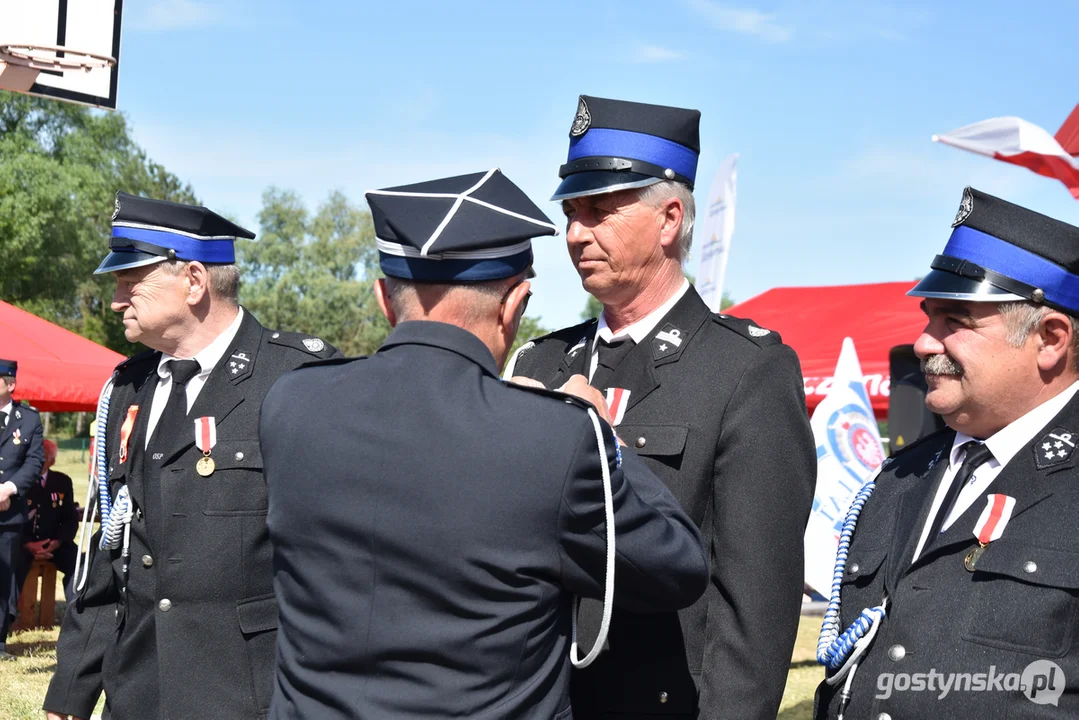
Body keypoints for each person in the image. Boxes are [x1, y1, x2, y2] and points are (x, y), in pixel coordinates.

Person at [260, 168, 709, 720]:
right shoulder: (556, 437)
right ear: (514, 304)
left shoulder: (290, 405)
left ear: (384, 297)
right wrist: (601, 434)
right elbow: (678, 566)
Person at [507, 95, 817, 720]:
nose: (575, 233)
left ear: (670, 217)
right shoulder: (541, 364)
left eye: (598, 211)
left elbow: (754, 608)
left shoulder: (746, 371)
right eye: (571, 212)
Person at [44, 192, 339, 720]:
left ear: (195, 281)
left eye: (130, 281)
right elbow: (109, 553)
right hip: (135, 692)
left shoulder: (297, 380)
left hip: (248, 694)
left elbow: (340, 559)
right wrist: (71, 690)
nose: (116, 300)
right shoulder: (128, 388)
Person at [815, 187, 1079, 718]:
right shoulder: (900, 475)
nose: (923, 343)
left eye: (954, 322)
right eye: (929, 317)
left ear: (1050, 339)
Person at [0, 358, 45, 660]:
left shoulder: (28, 419)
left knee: (4, 578)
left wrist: (8, 489)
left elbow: (34, 461)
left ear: (10, 384)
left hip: (9, 512)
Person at [18, 439, 79, 603]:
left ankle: (77, 613)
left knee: (80, 564)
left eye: (42, 456)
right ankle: (9, 616)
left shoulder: (62, 481)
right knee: (9, 563)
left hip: (54, 544)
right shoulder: (17, 481)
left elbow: (70, 519)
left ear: (51, 460)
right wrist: (27, 544)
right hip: (22, 543)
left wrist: (58, 541)